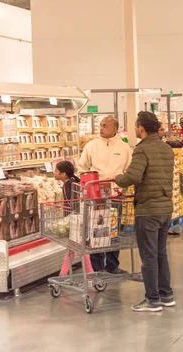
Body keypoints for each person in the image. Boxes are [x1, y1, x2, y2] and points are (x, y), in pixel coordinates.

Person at [114, 111, 175, 312]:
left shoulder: (142, 150)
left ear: (141, 128)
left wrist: (117, 179)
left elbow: (134, 176)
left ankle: (152, 300)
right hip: (165, 208)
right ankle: (166, 295)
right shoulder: (167, 149)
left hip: (148, 209)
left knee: (148, 256)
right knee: (160, 253)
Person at [77, 116, 131, 275]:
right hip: (95, 196)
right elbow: (82, 168)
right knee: (96, 231)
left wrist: (123, 188)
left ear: (115, 129)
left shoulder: (124, 147)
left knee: (114, 231)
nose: (101, 128)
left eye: (105, 126)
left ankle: (113, 265)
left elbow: (129, 170)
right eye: (100, 125)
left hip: (115, 195)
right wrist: (88, 185)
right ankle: (96, 266)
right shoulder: (91, 146)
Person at [55, 161, 94, 275]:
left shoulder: (70, 185)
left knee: (78, 248)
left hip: (75, 220)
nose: (54, 173)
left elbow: (73, 204)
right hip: (76, 219)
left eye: (56, 171)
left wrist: (69, 219)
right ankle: (63, 273)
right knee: (72, 248)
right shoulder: (73, 183)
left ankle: (90, 273)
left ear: (63, 174)